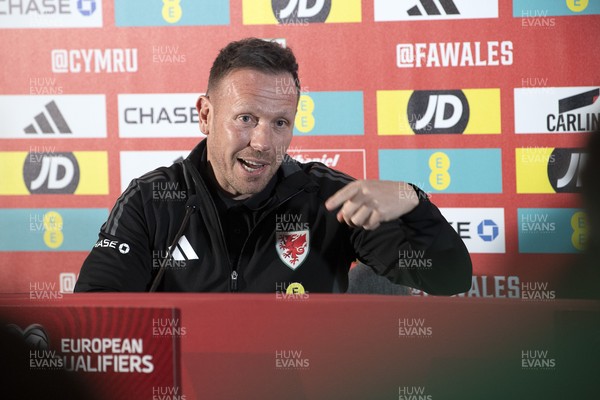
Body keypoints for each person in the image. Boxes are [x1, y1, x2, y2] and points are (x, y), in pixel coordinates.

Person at [75, 38, 472, 294]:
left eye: (280, 123)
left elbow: (448, 277)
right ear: (206, 114)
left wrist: (413, 201)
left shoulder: (330, 199)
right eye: (246, 118)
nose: (264, 143)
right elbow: (99, 316)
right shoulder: (151, 201)